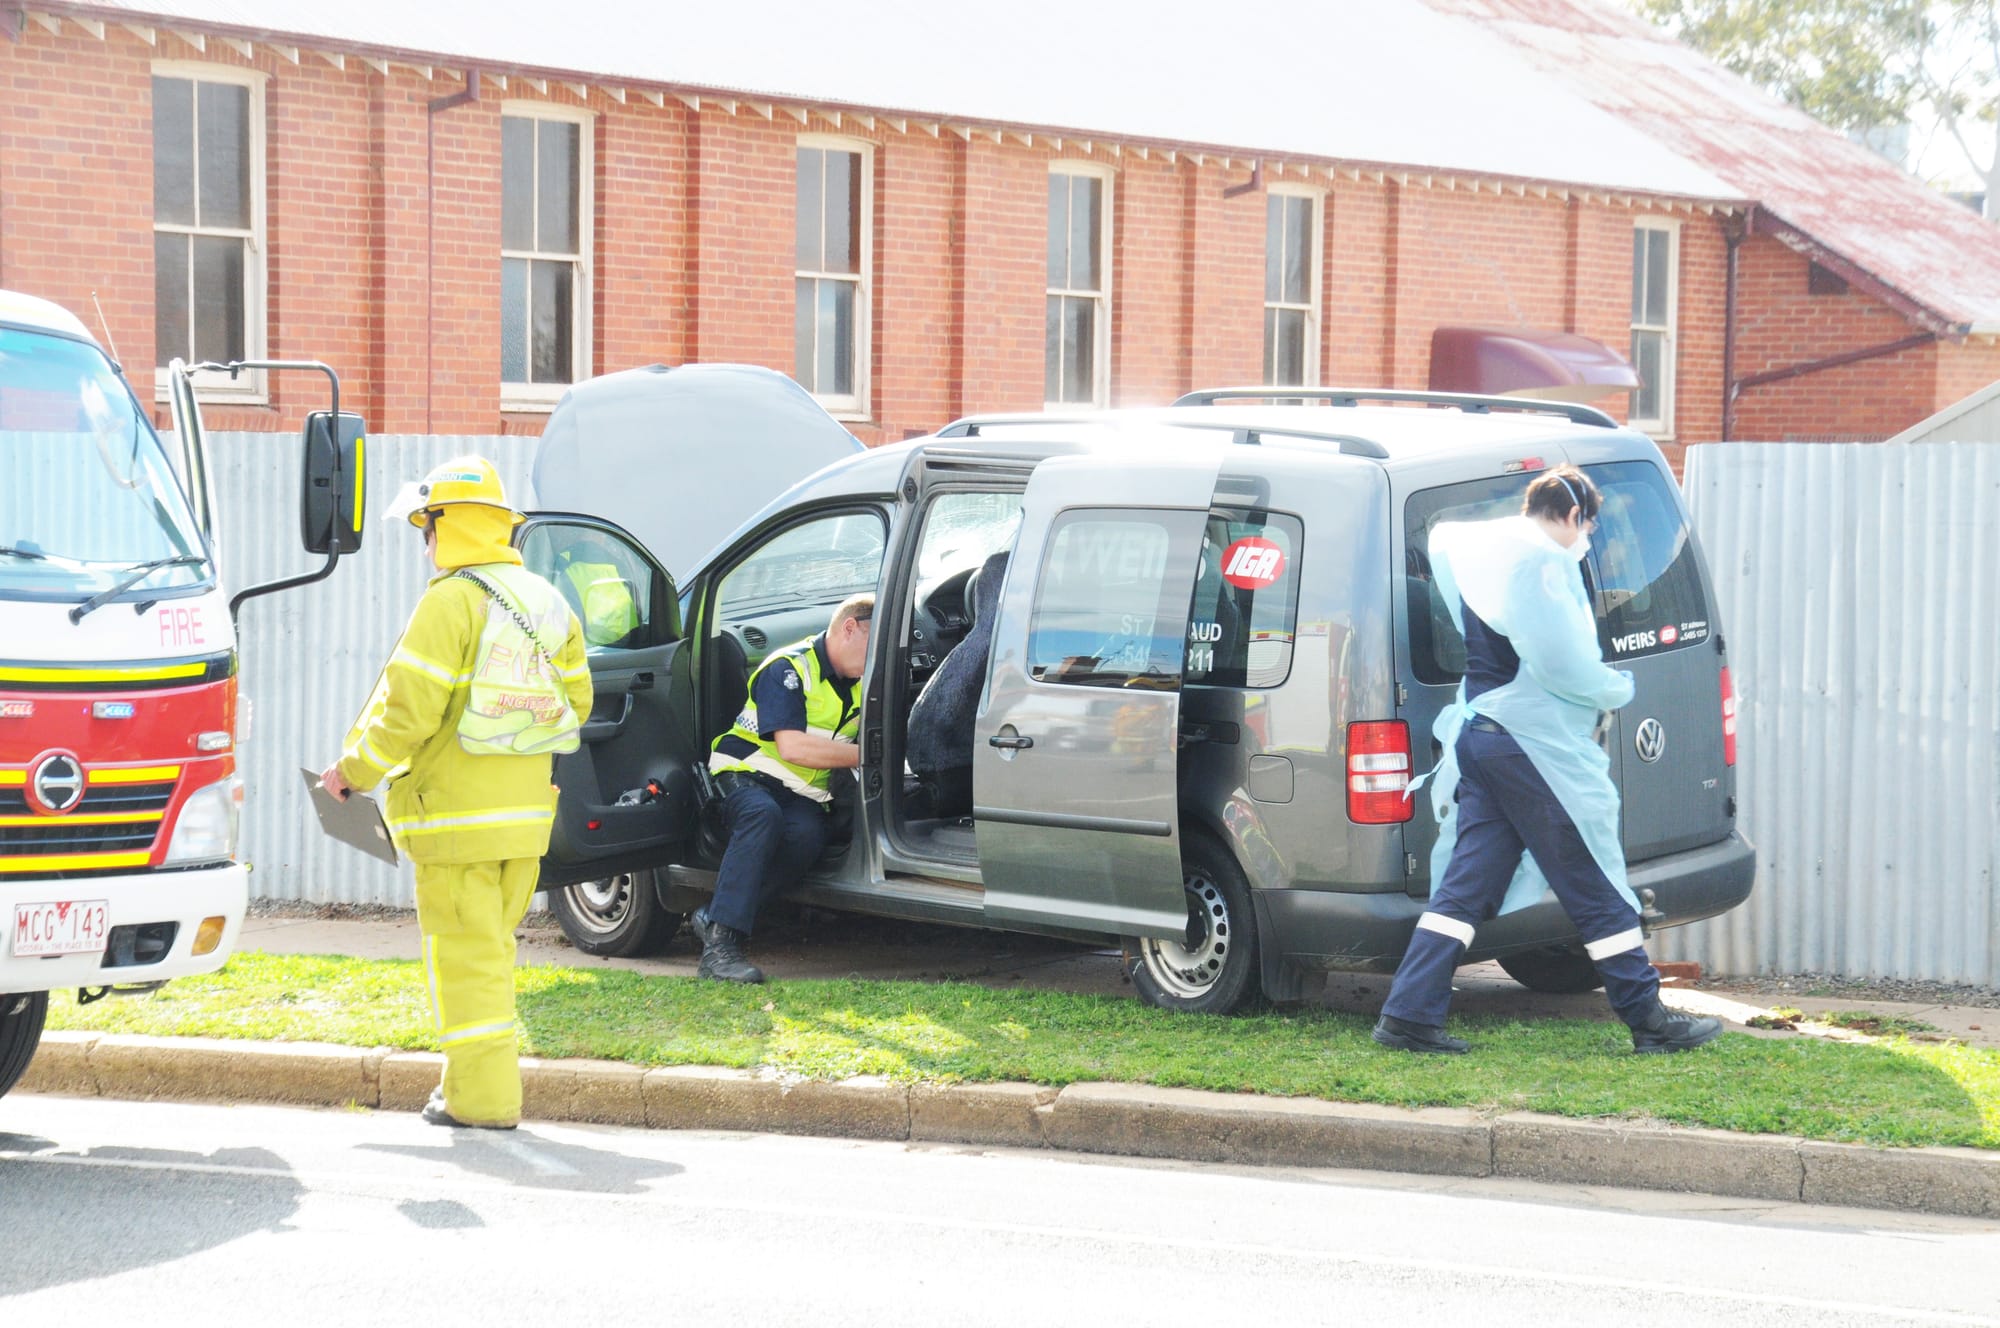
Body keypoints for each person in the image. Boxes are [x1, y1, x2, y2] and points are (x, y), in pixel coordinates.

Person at [1373, 465, 1721, 1056]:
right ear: (1570, 514)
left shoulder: (1483, 554)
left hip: (1484, 734)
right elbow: (1564, 663)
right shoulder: (1538, 562)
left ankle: (1408, 1014)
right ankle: (1648, 1020)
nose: (1586, 540)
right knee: (1594, 876)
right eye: (1587, 526)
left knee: (1464, 889)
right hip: (1533, 744)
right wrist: (1616, 690)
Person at [319, 457, 592, 1127]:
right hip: (525, 826)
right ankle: (464, 1087)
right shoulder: (547, 600)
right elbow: (577, 703)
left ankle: (483, 1102)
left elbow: (405, 714)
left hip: (455, 825)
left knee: (466, 967)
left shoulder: (450, 601)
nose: (426, 544)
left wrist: (351, 775)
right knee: (489, 959)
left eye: (428, 527)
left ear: (448, 526)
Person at [693, 594, 873, 983]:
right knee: (762, 816)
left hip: (801, 794)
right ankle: (719, 951)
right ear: (849, 628)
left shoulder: (862, 682)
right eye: (873, 643)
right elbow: (791, 746)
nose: (877, 657)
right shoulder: (789, 668)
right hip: (745, 773)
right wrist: (869, 754)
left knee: (807, 837)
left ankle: (713, 918)